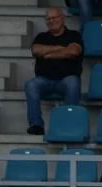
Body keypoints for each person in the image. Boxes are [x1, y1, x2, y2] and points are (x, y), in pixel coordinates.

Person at [25, 8, 84, 136]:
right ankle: (36, 125)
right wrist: (60, 49)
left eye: (55, 18)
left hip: (66, 79)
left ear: (63, 18)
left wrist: (48, 54)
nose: (52, 21)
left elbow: (73, 51)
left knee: (73, 83)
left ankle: (68, 125)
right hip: (44, 80)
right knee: (31, 85)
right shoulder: (41, 36)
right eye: (49, 19)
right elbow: (35, 50)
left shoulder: (74, 35)